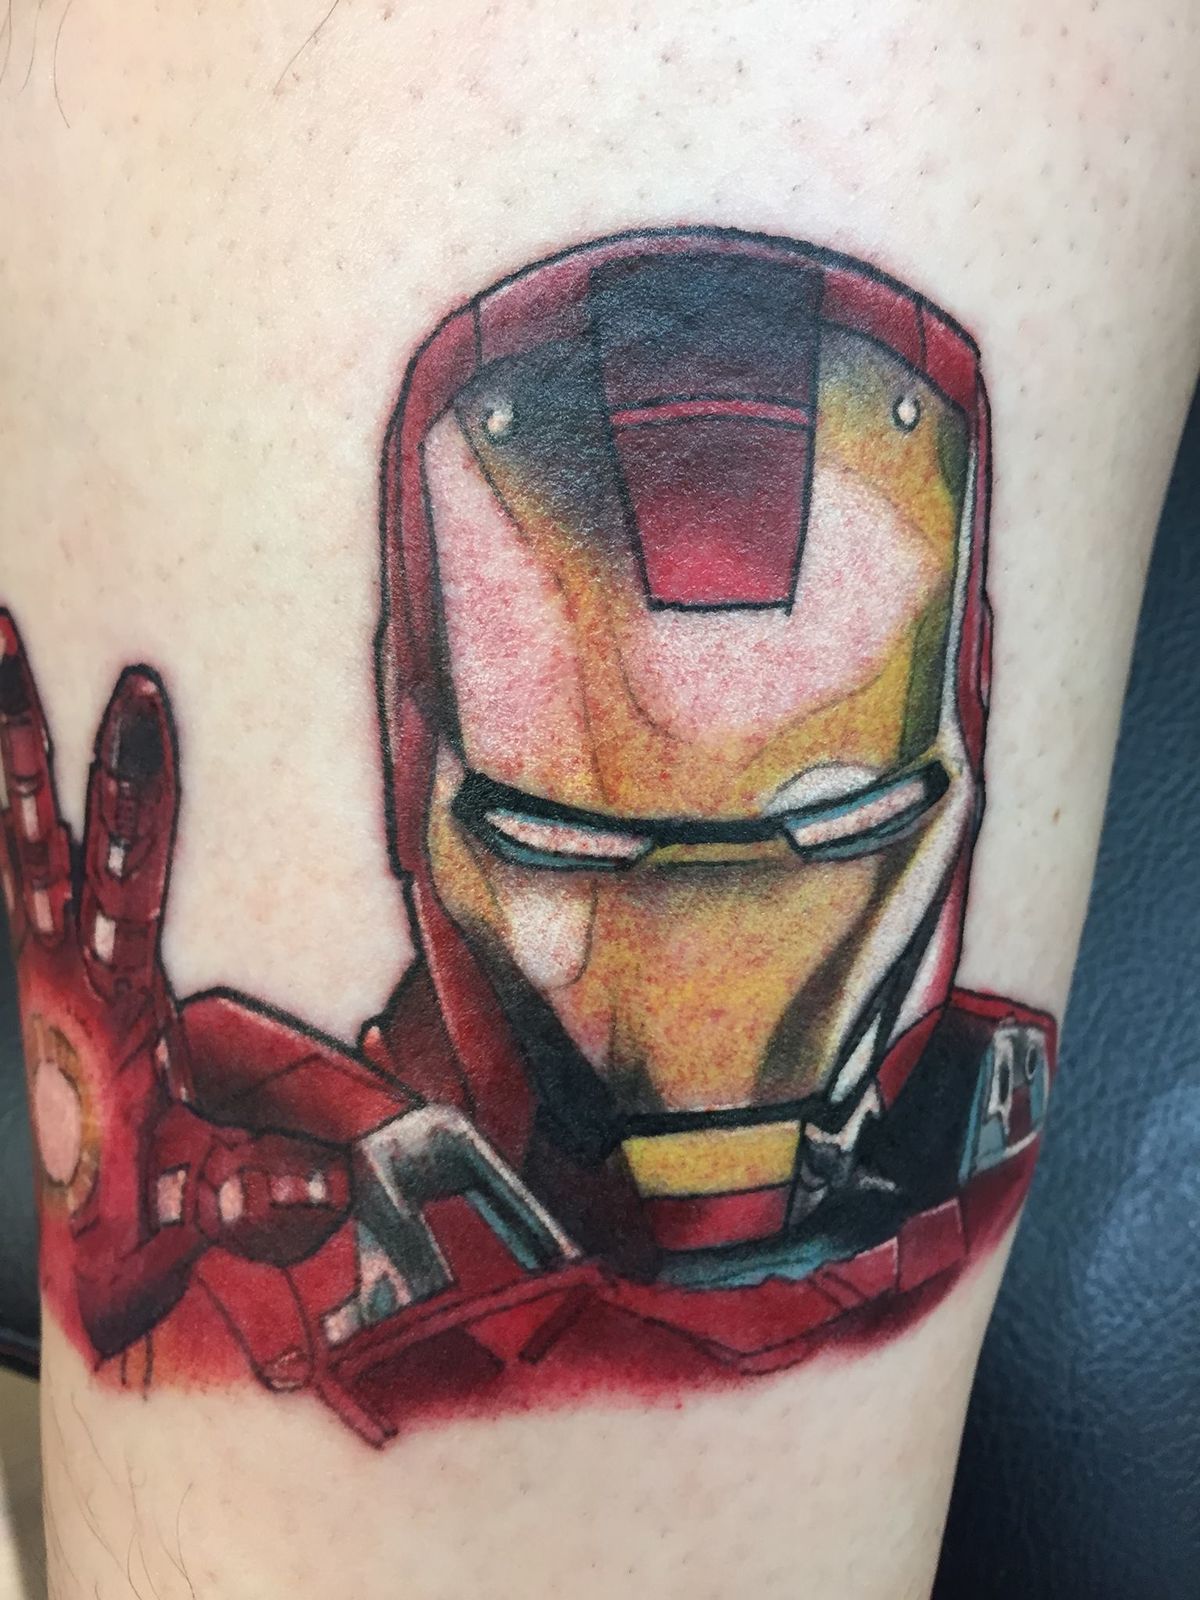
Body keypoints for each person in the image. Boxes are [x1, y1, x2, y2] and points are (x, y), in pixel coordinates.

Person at [2, 4, 1197, 1596]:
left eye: (819, 827)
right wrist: (210, 1304)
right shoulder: (299, 1198)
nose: (699, 981)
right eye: (581, 844)